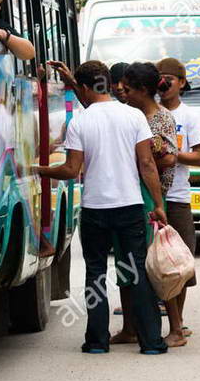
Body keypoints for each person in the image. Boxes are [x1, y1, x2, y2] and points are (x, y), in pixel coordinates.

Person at [36, 61, 169, 356]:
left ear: (83, 88)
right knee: (136, 272)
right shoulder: (134, 116)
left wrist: (40, 170)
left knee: (95, 273)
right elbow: (147, 164)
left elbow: (71, 170)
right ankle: (151, 342)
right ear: (108, 82)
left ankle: (97, 341)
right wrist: (159, 204)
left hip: (96, 208)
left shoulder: (80, 122)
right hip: (131, 206)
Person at [111, 62, 178, 346]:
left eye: (127, 87)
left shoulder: (161, 118)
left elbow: (169, 158)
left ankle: (175, 328)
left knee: (157, 266)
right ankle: (130, 328)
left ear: (142, 90)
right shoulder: (127, 115)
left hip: (150, 199)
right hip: (129, 196)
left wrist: (144, 156)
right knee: (126, 264)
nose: (120, 90)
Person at [155, 57, 200, 348]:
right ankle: (166, 323)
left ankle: (178, 323)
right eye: (159, 80)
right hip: (153, 197)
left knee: (180, 263)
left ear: (182, 82)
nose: (163, 86)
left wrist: (172, 154)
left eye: (169, 80)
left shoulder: (189, 116)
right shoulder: (148, 112)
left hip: (177, 197)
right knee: (157, 263)